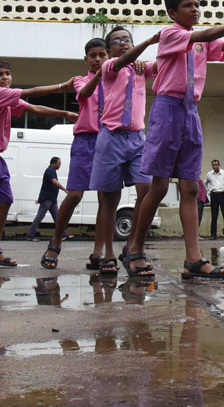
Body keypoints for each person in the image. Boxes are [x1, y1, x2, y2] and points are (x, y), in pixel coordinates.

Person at [125, 0, 224, 280]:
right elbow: (205, 34)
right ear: (173, 12)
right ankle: (134, 248)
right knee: (158, 186)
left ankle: (194, 259)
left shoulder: (200, 42)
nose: (196, 9)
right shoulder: (172, 34)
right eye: (189, 5)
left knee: (190, 188)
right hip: (167, 109)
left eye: (198, 4)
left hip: (190, 111)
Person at [0, 60, 75, 270]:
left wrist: (65, 114)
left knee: (5, 200)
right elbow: (32, 93)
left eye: (7, 74)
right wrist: (62, 87)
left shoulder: (6, 99)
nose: (5, 78)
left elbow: (33, 108)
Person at [81, 26, 171, 278]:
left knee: (147, 190)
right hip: (111, 137)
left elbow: (163, 63)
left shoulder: (141, 69)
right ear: (109, 50)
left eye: (126, 39)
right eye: (116, 41)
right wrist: (147, 43)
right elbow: (123, 61)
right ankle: (108, 252)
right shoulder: (109, 68)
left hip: (137, 138)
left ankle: (132, 246)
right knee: (110, 199)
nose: (122, 43)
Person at [41, 38, 108, 269]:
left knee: (105, 198)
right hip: (85, 140)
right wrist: (101, 73)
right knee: (75, 194)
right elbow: (86, 94)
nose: (98, 59)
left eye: (102, 55)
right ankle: (55, 241)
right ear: (86, 59)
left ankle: (98, 252)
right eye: (93, 55)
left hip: (109, 140)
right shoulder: (81, 81)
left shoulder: (117, 81)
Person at [27, 157, 65, 241]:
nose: (60, 165)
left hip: (52, 199)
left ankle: (63, 234)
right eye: (59, 164)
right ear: (54, 163)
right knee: (40, 216)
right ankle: (30, 235)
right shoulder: (49, 171)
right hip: (47, 199)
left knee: (58, 217)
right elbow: (54, 182)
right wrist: (65, 189)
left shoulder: (53, 171)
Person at [204, 160, 224, 240]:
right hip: (214, 194)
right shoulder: (209, 174)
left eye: (216, 165)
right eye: (213, 165)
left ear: (219, 165)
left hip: (223, 193)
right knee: (214, 215)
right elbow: (205, 183)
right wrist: (208, 191)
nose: (215, 167)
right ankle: (213, 235)